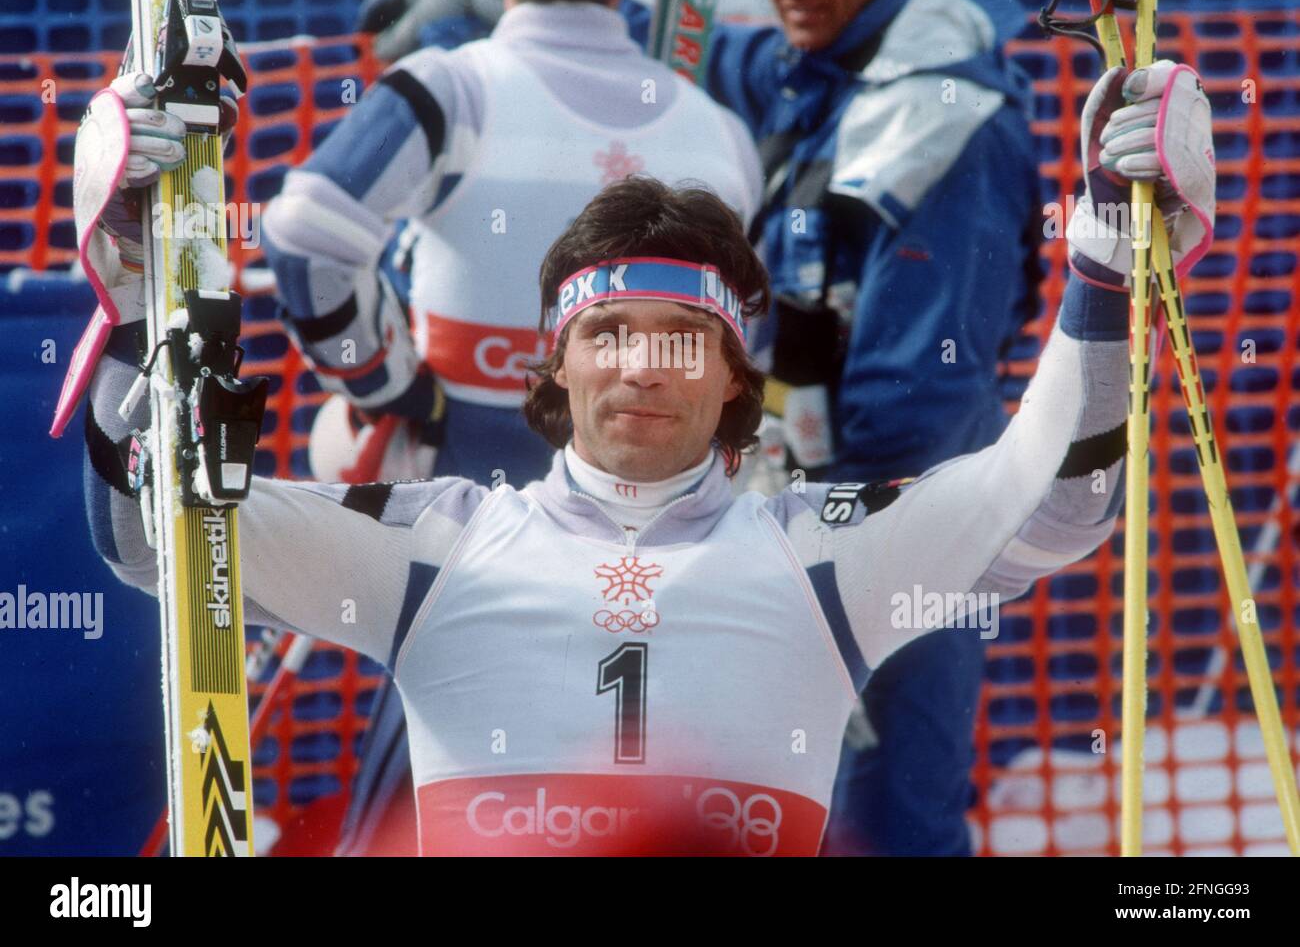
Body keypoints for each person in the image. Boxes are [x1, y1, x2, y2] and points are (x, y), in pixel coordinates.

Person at [74, 53, 1217, 854]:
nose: (640, 365)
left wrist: (1105, 265)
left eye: (683, 338)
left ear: (733, 377)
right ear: (553, 369)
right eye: (605, 333)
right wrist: (135, 299)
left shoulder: (826, 552)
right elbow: (152, 541)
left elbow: (1058, 499)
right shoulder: (435, 541)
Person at [257, 0, 762, 851]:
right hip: (658, 506)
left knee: (443, 765)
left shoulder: (451, 88)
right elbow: (745, 341)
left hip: (473, 489)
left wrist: (389, 387)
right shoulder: (715, 132)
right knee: (627, 771)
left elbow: (306, 230)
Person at [705, 0, 1046, 854]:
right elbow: (710, 58)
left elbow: (920, 395)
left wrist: (822, 532)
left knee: (882, 811)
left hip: (896, 521)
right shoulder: (818, 59)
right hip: (791, 504)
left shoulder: (942, 119)